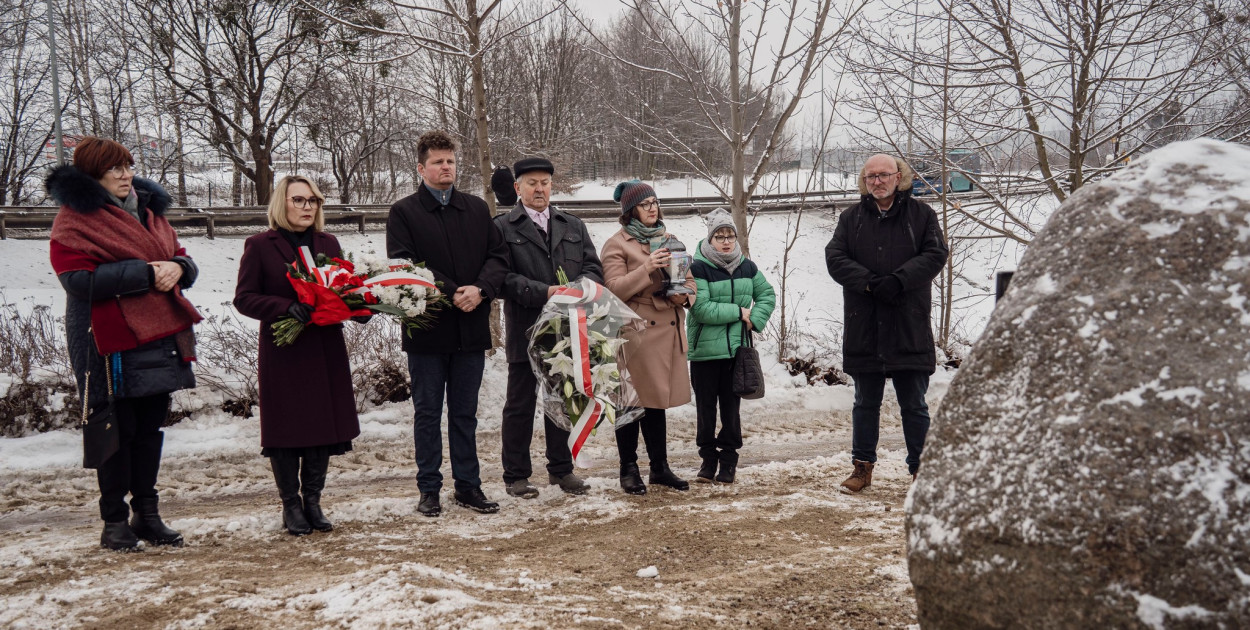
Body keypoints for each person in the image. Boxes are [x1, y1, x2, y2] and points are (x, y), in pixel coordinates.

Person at [46, 137, 201, 551]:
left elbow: (183, 258)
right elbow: (76, 281)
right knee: (115, 428)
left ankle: (147, 514)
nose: (124, 174)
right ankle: (113, 519)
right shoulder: (74, 219)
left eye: (128, 165)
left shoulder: (149, 212)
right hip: (107, 340)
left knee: (150, 428)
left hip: (159, 334)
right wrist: (146, 274)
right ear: (92, 175)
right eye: (114, 168)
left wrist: (177, 267)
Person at [386, 130, 509, 517]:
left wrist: (481, 289)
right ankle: (429, 489)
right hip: (427, 330)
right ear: (421, 168)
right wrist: (455, 290)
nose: (446, 167)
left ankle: (468, 487)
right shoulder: (404, 212)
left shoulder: (474, 209)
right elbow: (405, 265)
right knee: (427, 413)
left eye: (451, 161)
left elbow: (498, 256)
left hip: (470, 329)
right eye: (438, 162)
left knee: (464, 414)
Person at [233, 175, 362, 536]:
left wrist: (356, 304)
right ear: (282, 204)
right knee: (288, 428)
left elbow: (341, 286)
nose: (307, 207)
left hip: (323, 346)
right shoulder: (260, 245)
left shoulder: (327, 241)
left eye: (313, 201)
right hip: (284, 349)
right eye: (299, 200)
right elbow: (244, 298)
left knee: (321, 425)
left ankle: (314, 502)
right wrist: (285, 307)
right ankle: (291, 504)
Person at [825, 153, 949, 493]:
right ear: (864, 181)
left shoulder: (921, 215)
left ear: (899, 177)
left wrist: (899, 280)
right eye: (870, 176)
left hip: (908, 322)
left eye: (883, 175)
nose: (877, 181)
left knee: (914, 404)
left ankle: (921, 471)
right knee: (865, 403)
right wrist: (868, 282)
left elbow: (936, 253)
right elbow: (834, 257)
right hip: (864, 324)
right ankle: (861, 468)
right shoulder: (851, 218)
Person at [494, 158, 603, 499]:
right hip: (526, 330)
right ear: (518, 188)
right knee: (520, 405)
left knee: (561, 400)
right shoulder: (503, 228)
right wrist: (543, 292)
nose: (539, 189)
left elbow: (593, 267)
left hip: (565, 331)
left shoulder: (572, 224)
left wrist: (582, 287)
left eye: (544, 182)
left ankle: (561, 470)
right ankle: (516, 475)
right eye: (532, 183)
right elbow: (501, 279)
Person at [600, 180, 695, 495]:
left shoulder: (672, 240)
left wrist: (684, 296)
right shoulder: (617, 244)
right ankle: (628, 469)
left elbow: (690, 283)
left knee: (656, 402)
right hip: (634, 332)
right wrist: (647, 268)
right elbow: (612, 290)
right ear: (630, 211)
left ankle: (659, 468)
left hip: (667, 327)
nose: (652, 208)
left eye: (655, 202)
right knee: (629, 403)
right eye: (645, 204)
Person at [686, 208, 775, 484]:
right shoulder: (698, 267)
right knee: (705, 409)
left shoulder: (747, 266)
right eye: (719, 236)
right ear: (710, 239)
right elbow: (700, 309)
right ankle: (707, 458)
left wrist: (754, 319)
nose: (726, 241)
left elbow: (767, 295)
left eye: (730, 235)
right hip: (704, 354)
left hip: (735, 352)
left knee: (731, 410)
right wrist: (739, 312)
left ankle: (728, 461)